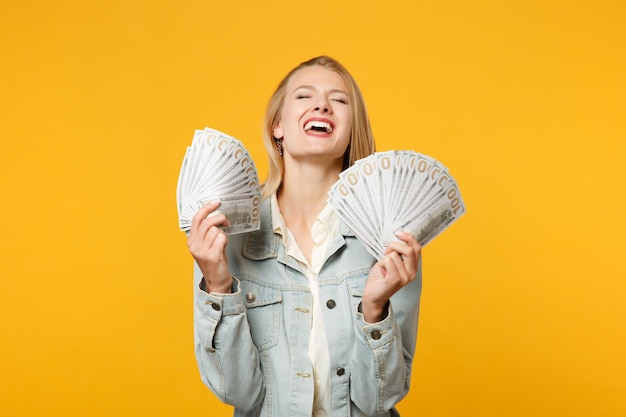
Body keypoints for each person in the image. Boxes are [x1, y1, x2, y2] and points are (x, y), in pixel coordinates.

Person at [187, 56, 423, 417]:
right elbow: (236, 392)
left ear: (350, 131)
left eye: (339, 100)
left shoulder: (390, 237)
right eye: (304, 96)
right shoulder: (227, 236)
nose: (322, 104)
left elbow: (379, 399)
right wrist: (218, 286)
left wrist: (374, 310)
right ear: (277, 125)